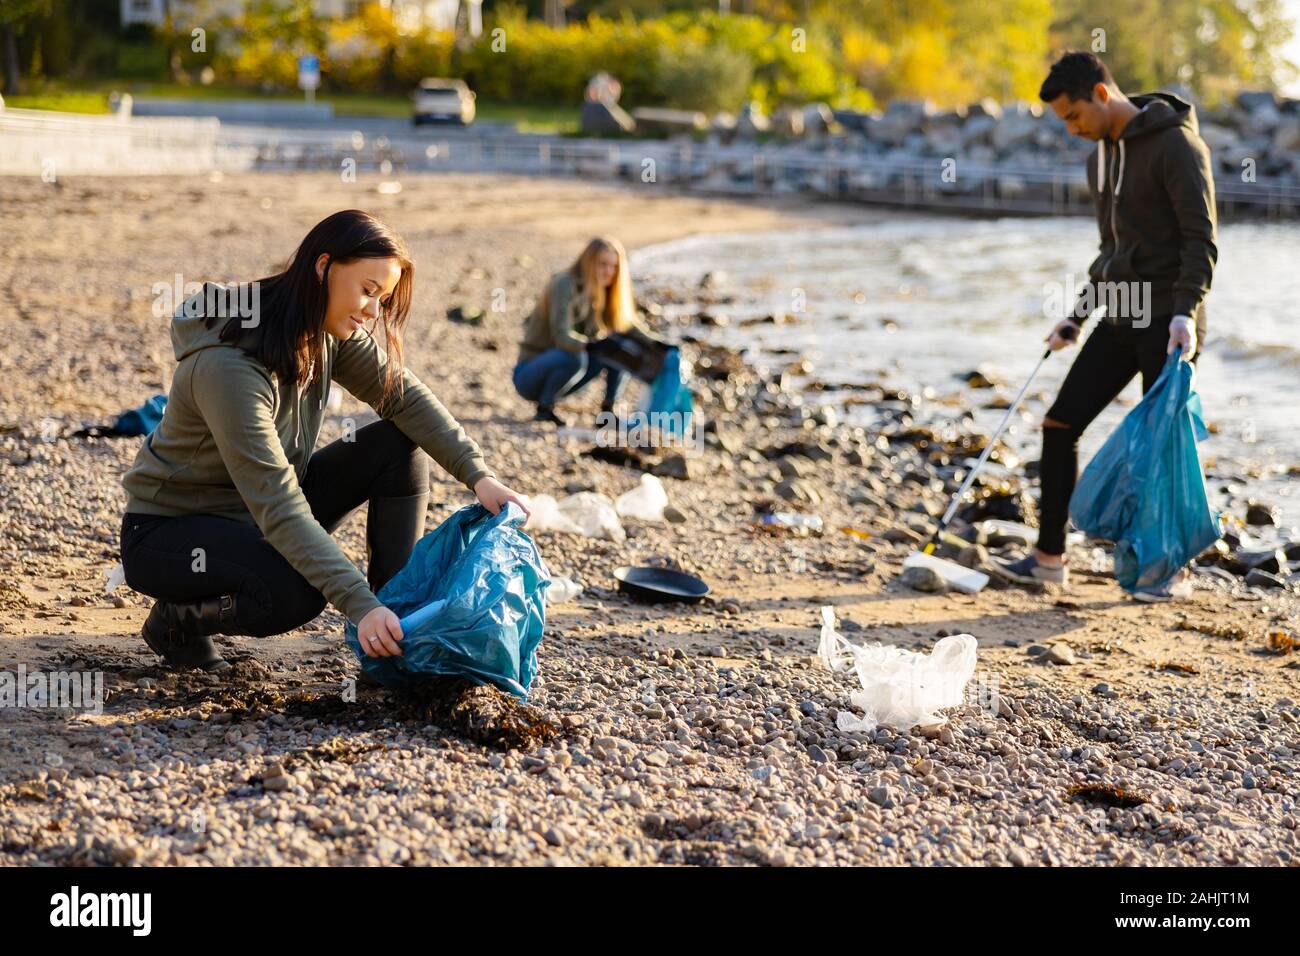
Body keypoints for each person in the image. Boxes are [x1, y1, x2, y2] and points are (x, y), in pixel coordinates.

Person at [120, 210, 530, 673]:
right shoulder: (228, 369)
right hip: (168, 534)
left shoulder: (323, 330)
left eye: (383, 297)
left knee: (400, 448)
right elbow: (277, 503)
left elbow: (404, 398)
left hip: (253, 517)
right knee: (296, 593)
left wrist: (479, 476)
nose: (374, 311)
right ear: (323, 267)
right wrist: (358, 603)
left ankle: (397, 628)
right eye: (368, 290)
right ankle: (175, 621)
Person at [993, 52, 1217, 601]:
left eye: (1073, 116)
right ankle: (1049, 559)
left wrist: (1186, 313)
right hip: (1121, 309)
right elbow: (1111, 252)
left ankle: (1165, 569)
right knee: (1060, 424)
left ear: (1100, 93)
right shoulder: (1100, 158)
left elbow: (1201, 240)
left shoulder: (1177, 145)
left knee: (1158, 448)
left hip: (1168, 318)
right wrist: (1077, 314)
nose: (1072, 130)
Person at [513, 236, 658, 427]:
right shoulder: (563, 284)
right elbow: (561, 336)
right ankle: (544, 409)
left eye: (614, 267)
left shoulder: (604, 291)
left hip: (567, 375)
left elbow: (627, 325)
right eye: (603, 264)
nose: (609, 272)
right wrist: (593, 345)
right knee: (575, 356)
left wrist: (659, 345)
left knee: (618, 347)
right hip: (530, 375)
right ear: (588, 262)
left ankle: (607, 412)